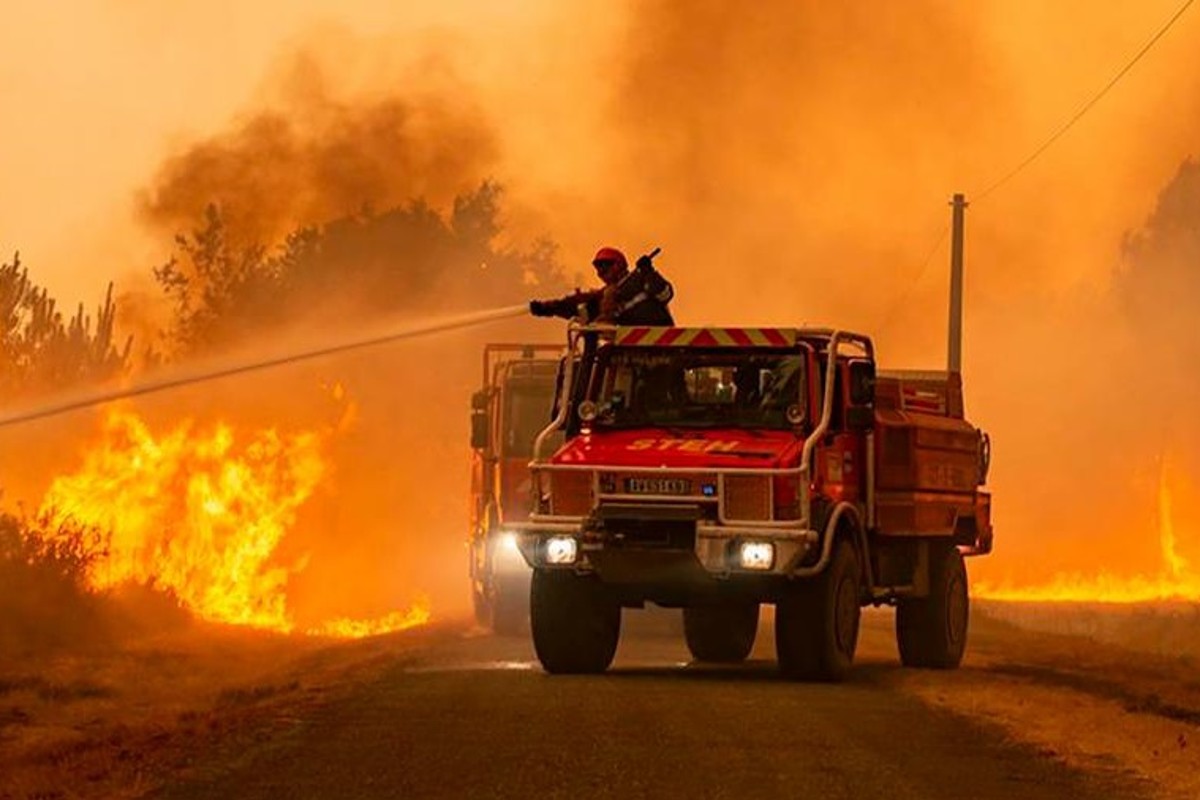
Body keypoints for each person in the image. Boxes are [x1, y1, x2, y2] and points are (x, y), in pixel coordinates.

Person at [529, 247, 674, 325]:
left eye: (605, 266)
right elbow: (577, 307)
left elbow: (665, 294)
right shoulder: (605, 298)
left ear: (619, 265)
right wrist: (547, 308)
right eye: (598, 268)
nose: (601, 272)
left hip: (660, 346)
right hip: (627, 354)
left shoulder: (640, 278)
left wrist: (649, 272)